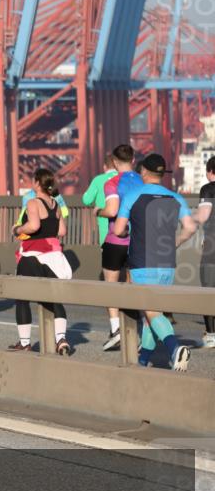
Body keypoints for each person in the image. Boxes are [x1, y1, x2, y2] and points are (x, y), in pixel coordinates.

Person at [113, 153, 197, 371]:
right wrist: (176, 242)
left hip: (142, 260)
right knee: (154, 310)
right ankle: (143, 360)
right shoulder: (174, 197)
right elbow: (190, 227)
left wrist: (125, 234)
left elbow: (119, 229)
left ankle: (174, 347)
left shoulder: (133, 195)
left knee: (150, 310)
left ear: (143, 171)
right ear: (161, 174)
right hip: (167, 262)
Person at [10, 168, 73, 355]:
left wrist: (17, 229)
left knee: (22, 297)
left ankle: (24, 342)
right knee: (54, 298)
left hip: (33, 254)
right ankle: (61, 339)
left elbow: (34, 226)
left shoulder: (33, 202)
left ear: (37, 183)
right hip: (54, 255)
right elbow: (62, 232)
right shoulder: (55, 204)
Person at [93, 145, 136, 350]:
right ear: (133, 161)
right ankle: (134, 332)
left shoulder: (112, 182)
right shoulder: (142, 180)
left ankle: (116, 330)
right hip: (137, 241)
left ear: (115, 162)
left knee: (110, 286)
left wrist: (98, 211)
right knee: (132, 286)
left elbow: (111, 211)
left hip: (115, 241)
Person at [196, 157, 215, 348]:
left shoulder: (208, 189)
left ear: (210, 171)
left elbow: (203, 217)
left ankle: (211, 334)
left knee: (208, 289)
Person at [82, 153, 118, 247]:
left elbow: (86, 200)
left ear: (105, 167)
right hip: (125, 229)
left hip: (105, 229)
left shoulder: (98, 180)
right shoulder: (123, 178)